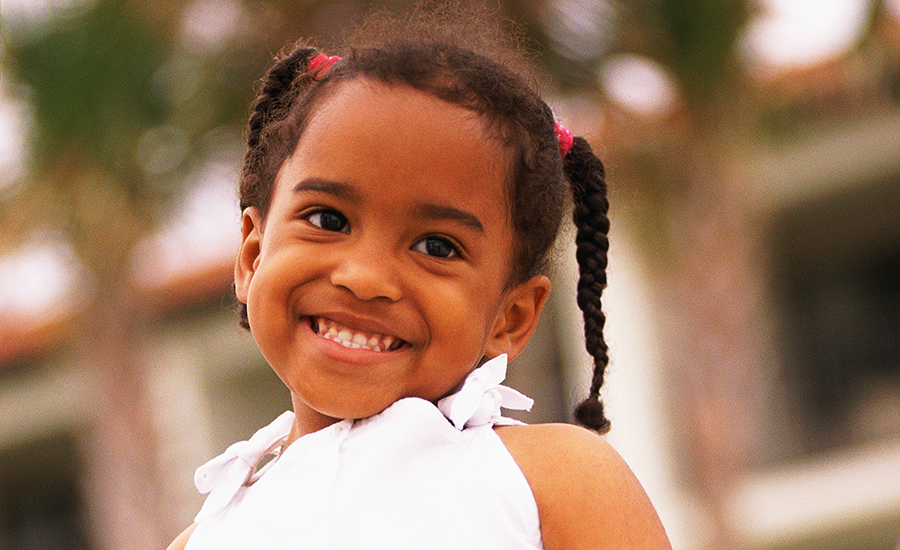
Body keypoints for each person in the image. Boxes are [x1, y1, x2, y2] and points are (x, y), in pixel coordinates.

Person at [168, 6, 671, 549]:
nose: (364, 277)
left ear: (512, 317)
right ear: (251, 255)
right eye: (327, 219)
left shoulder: (552, 480)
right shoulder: (206, 538)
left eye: (436, 247)